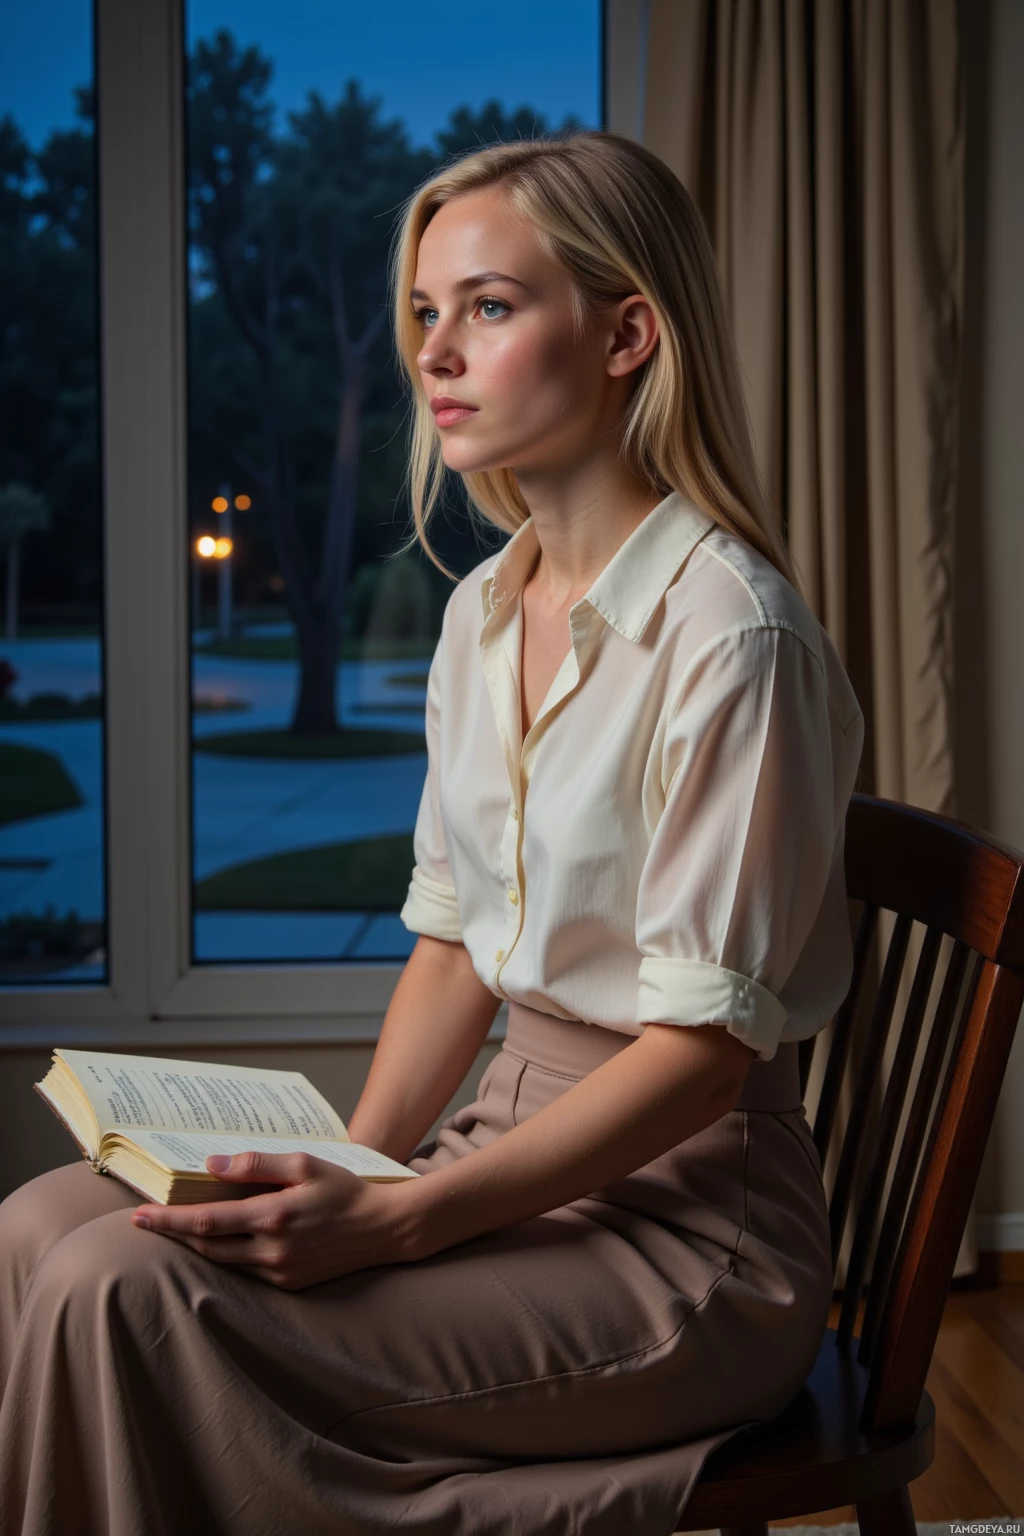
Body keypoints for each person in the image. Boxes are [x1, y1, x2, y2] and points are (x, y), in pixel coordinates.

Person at [0, 129, 865, 1536]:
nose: (434, 354)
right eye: (422, 312)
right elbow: (456, 952)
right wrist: (349, 1173)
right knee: (36, 1227)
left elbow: (702, 1062)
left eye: (489, 306)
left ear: (628, 335)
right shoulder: (478, 616)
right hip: (496, 1154)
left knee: (123, 1291)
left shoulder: (734, 636)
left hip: (688, 1233)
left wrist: (398, 1220)